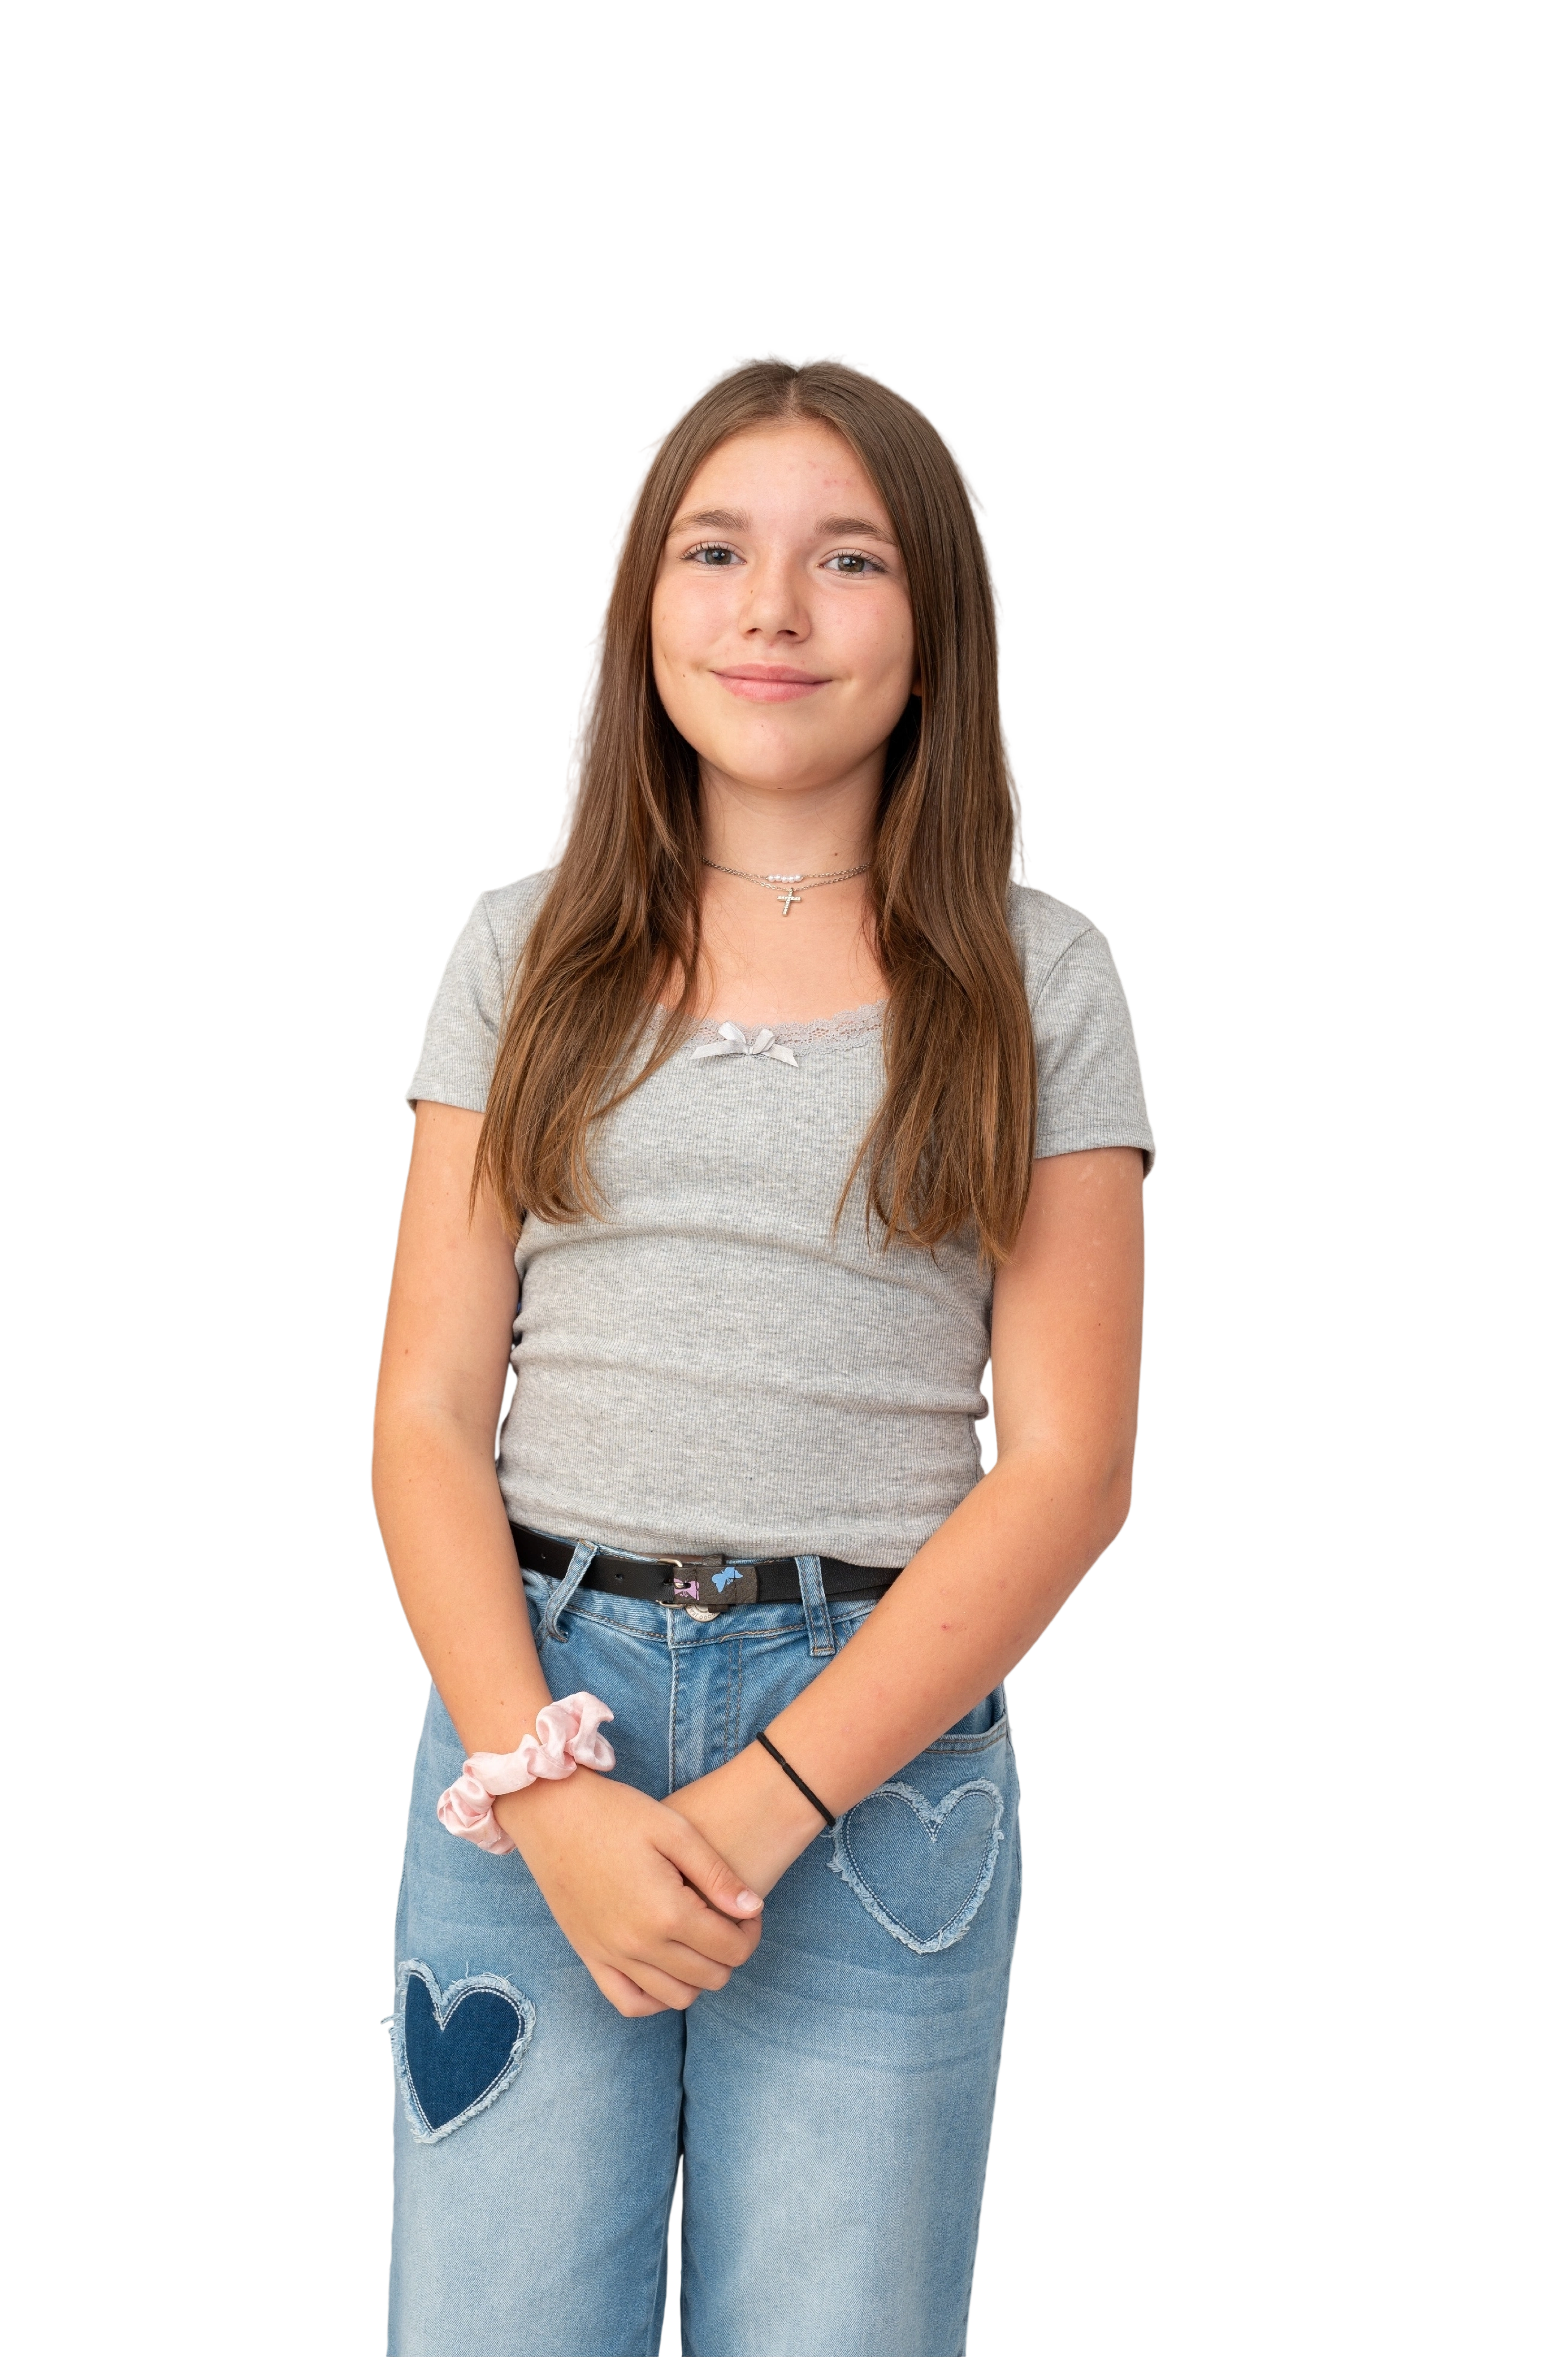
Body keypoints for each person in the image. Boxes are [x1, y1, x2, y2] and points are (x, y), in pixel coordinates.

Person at [371, 347, 1155, 2357]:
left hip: (874, 1761)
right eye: (715, 551)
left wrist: (773, 1797)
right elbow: (429, 1411)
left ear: (937, 622)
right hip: (534, 1717)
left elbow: (1067, 1463)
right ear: (643, 604)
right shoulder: (523, 946)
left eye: (849, 559)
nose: (774, 610)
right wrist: (545, 1790)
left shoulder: (1036, 977)